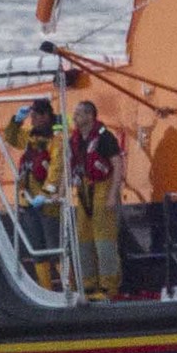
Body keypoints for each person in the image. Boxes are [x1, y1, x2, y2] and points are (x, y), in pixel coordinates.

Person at [1, 97, 64, 283]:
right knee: (37, 250)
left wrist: (45, 195)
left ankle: (70, 286)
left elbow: (56, 170)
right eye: (32, 115)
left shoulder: (56, 141)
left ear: (46, 116)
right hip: (27, 200)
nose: (33, 118)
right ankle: (46, 288)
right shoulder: (30, 137)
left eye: (36, 115)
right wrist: (17, 120)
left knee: (55, 249)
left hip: (47, 203)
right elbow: (11, 137)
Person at [65, 101, 123, 301]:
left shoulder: (104, 137)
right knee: (83, 239)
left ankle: (108, 286)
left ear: (90, 116)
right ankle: (88, 284)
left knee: (104, 240)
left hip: (102, 187)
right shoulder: (75, 140)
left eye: (79, 113)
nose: (74, 117)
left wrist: (112, 194)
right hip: (83, 190)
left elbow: (117, 164)